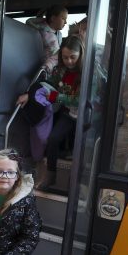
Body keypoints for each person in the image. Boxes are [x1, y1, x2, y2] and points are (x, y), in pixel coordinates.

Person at [35, 35, 85, 190]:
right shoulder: (61, 70)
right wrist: (32, 93)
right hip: (69, 114)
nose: (69, 61)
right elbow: (50, 85)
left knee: (81, 147)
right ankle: (50, 175)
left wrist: (57, 96)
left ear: (81, 55)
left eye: (73, 57)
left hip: (86, 116)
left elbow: (80, 100)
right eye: (65, 57)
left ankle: (75, 181)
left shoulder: (89, 70)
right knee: (53, 138)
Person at [25, 5, 69, 75]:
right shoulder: (46, 35)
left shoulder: (57, 34)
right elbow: (56, 56)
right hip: (46, 70)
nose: (66, 22)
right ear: (53, 18)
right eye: (63, 18)